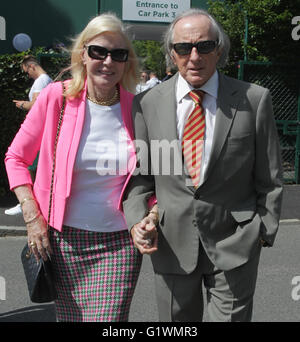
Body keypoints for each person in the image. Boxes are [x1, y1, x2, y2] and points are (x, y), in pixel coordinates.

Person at [123, 8, 283, 322]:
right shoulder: (147, 104)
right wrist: (137, 221)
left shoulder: (254, 99)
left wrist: (262, 233)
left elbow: (270, 176)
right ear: (172, 52)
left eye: (204, 46)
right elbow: (141, 179)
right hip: (170, 245)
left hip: (235, 243)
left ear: (219, 50)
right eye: (184, 47)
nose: (194, 56)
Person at [5, 13, 149, 322]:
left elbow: (150, 175)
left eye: (118, 54)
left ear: (127, 62)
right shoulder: (56, 98)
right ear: (82, 54)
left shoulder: (137, 108)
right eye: (99, 51)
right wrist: (32, 217)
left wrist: (151, 211)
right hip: (62, 241)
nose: (108, 61)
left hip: (119, 243)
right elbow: (15, 158)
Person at [5, 56, 52, 216]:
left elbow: (37, 105)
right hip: (43, 132)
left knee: (28, 165)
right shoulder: (47, 80)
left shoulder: (41, 81)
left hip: (39, 132)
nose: (28, 75)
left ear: (31, 66)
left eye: (27, 71)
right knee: (34, 166)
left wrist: (22, 104)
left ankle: (27, 201)